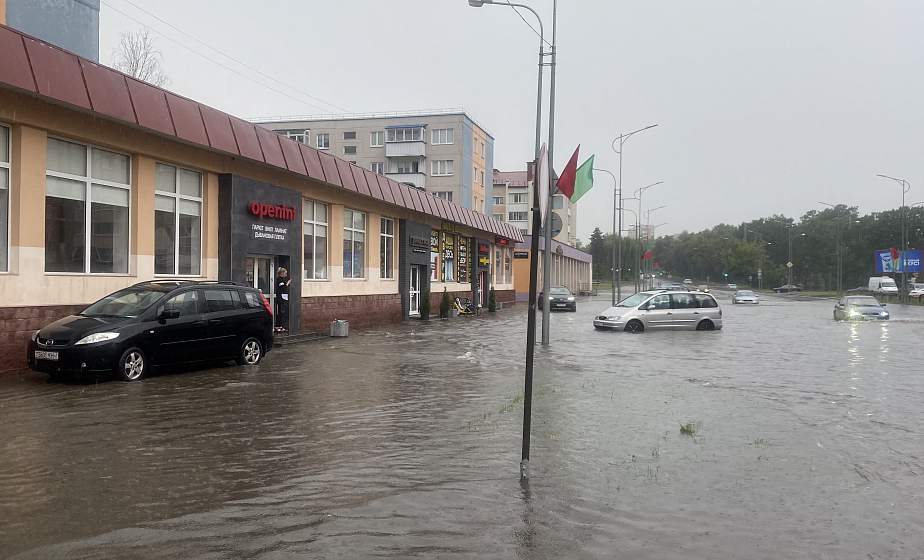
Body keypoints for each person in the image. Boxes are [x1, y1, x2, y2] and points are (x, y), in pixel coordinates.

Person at [275, 267, 291, 332]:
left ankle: (281, 326)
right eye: (285, 273)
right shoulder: (279, 279)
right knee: (280, 312)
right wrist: (287, 283)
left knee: (282, 312)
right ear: (282, 273)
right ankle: (277, 326)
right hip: (280, 298)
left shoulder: (282, 279)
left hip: (283, 298)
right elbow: (283, 287)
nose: (286, 275)